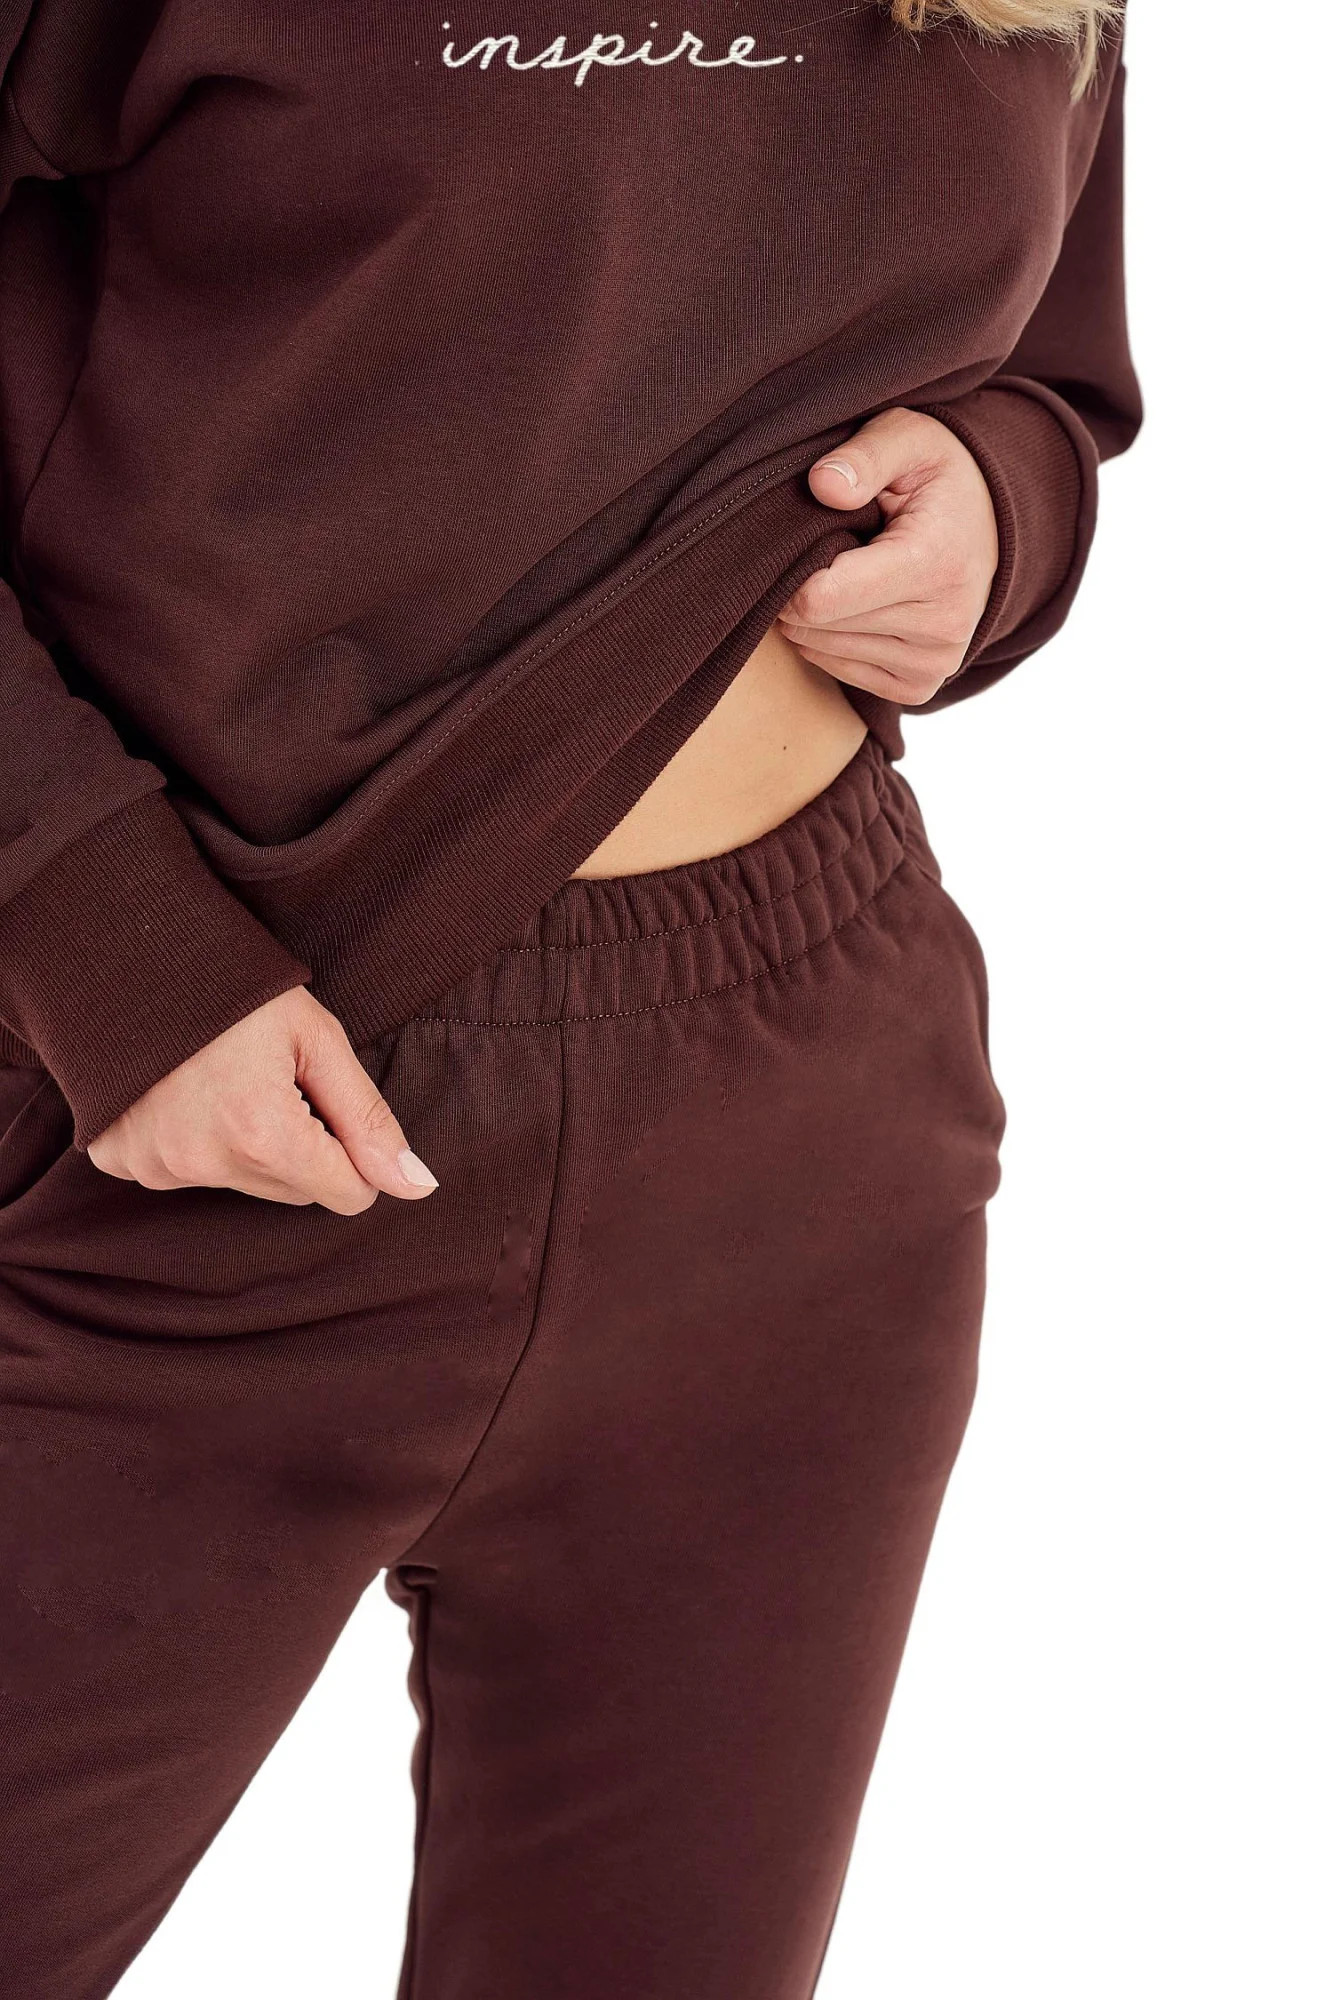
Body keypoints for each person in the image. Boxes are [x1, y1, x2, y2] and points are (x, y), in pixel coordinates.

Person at [0, 0, 1142, 1992]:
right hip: (177, 1110)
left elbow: (1049, 355)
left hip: (796, 1146)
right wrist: (96, 930)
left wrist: (1003, 502)